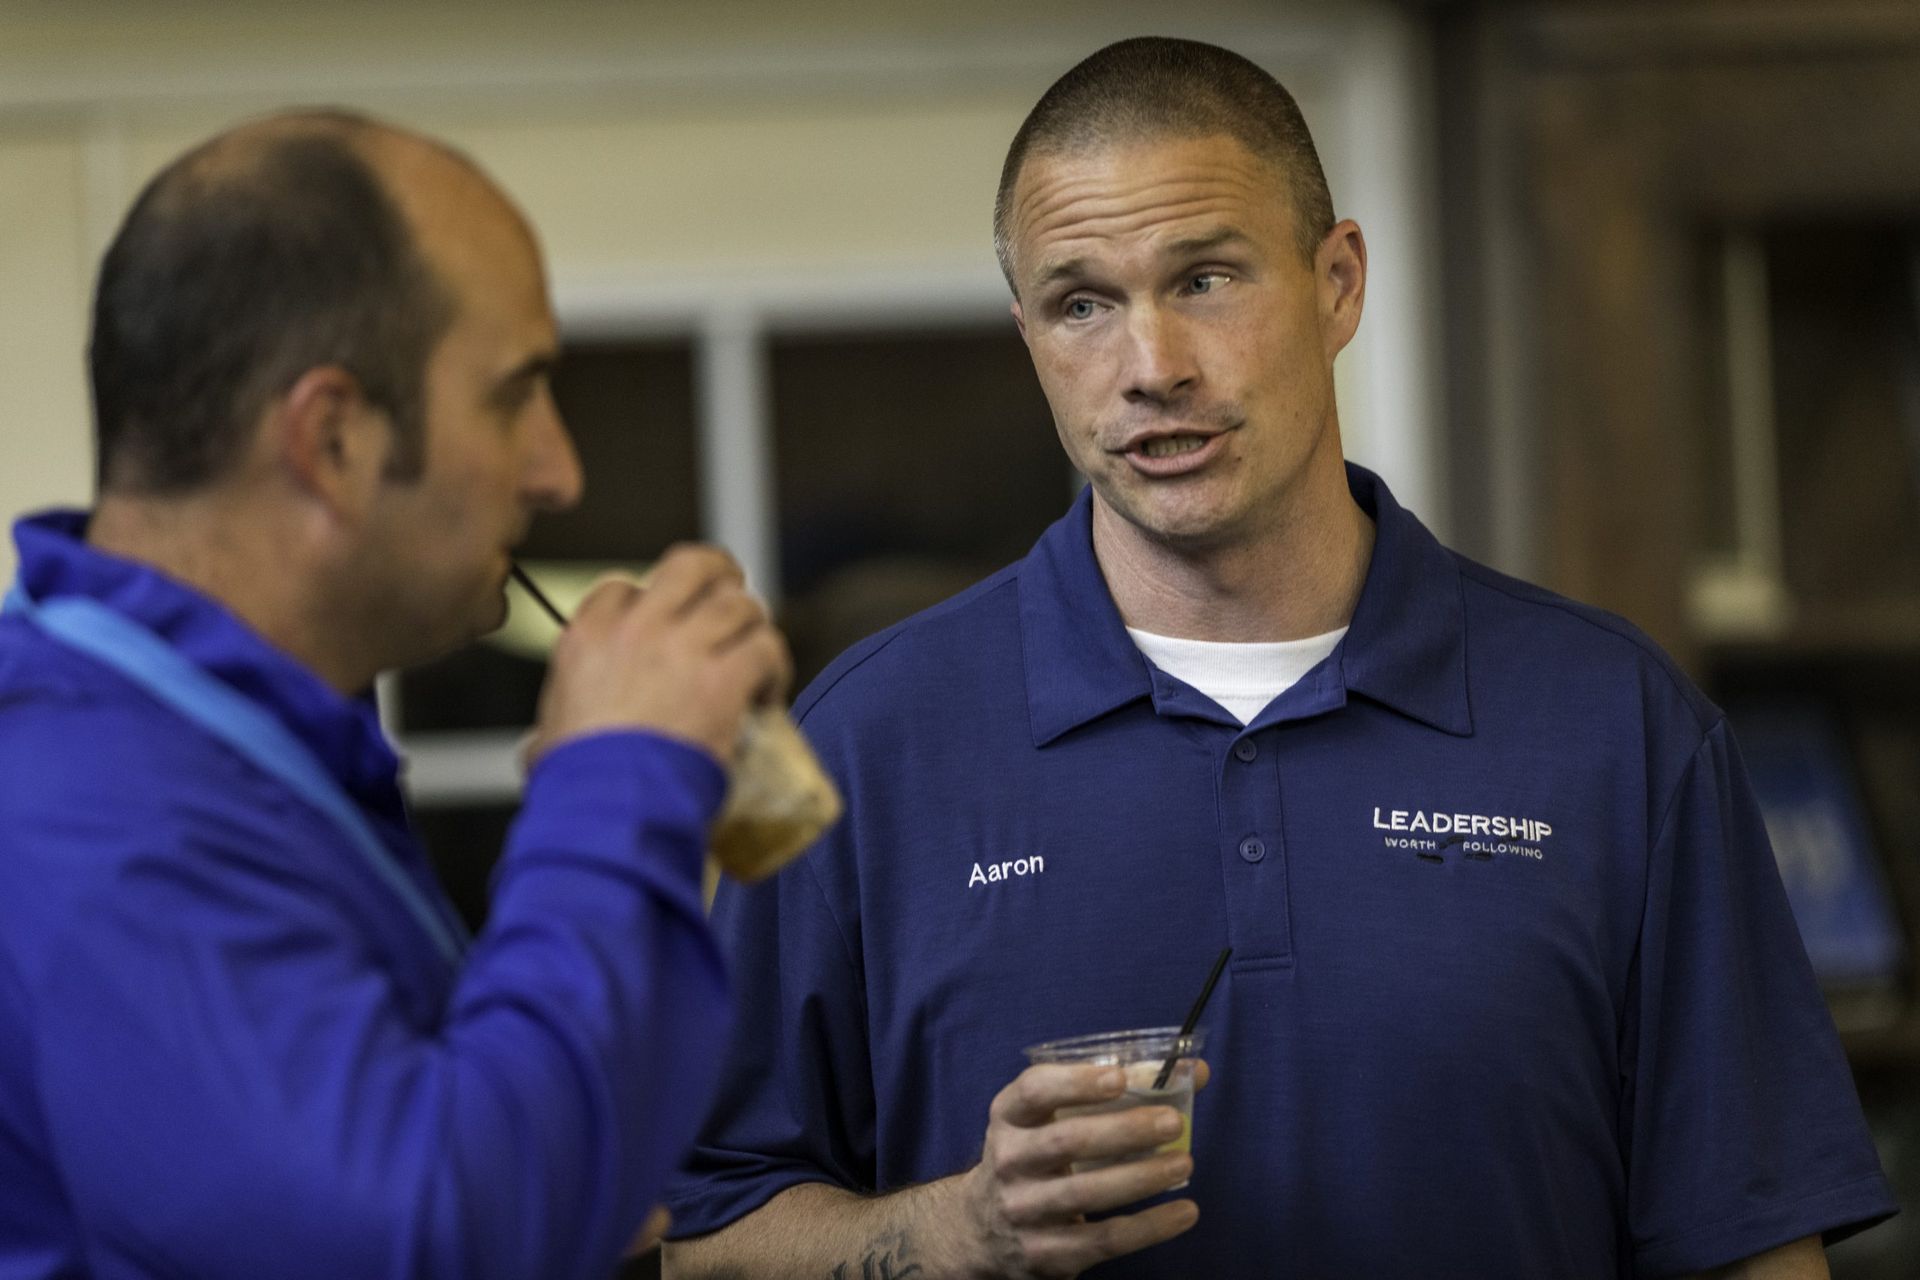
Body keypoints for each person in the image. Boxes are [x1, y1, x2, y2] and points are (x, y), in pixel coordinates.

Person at [661, 36, 1896, 1280]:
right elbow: (702, 1243)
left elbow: (1756, 1249)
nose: (1151, 368)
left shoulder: (1620, 726)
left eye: (1204, 279)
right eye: (1081, 302)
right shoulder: (861, 745)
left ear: (1339, 281)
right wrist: (959, 1227)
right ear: (1029, 333)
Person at [0, 111, 789, 1279]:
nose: (559, 471)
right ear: (331, 438)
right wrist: (619, 771)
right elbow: (418, 1242)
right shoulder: (92, 803)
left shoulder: (241, 740)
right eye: (513, 394)